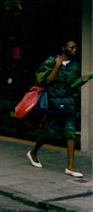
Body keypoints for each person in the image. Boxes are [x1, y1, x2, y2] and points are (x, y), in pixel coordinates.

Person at [27, 40, 90, 177]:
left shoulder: (75, 66)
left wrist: (82, 82)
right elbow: (45, 81)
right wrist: (56, 66)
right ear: (63, 48)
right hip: (53, 101)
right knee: (49, 131)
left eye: (75, 48)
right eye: (71, 47)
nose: (74, 49)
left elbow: (71, 86)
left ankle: (70, 167)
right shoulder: (51, 61)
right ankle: (33, 152)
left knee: (70, 131)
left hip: (68, 102)